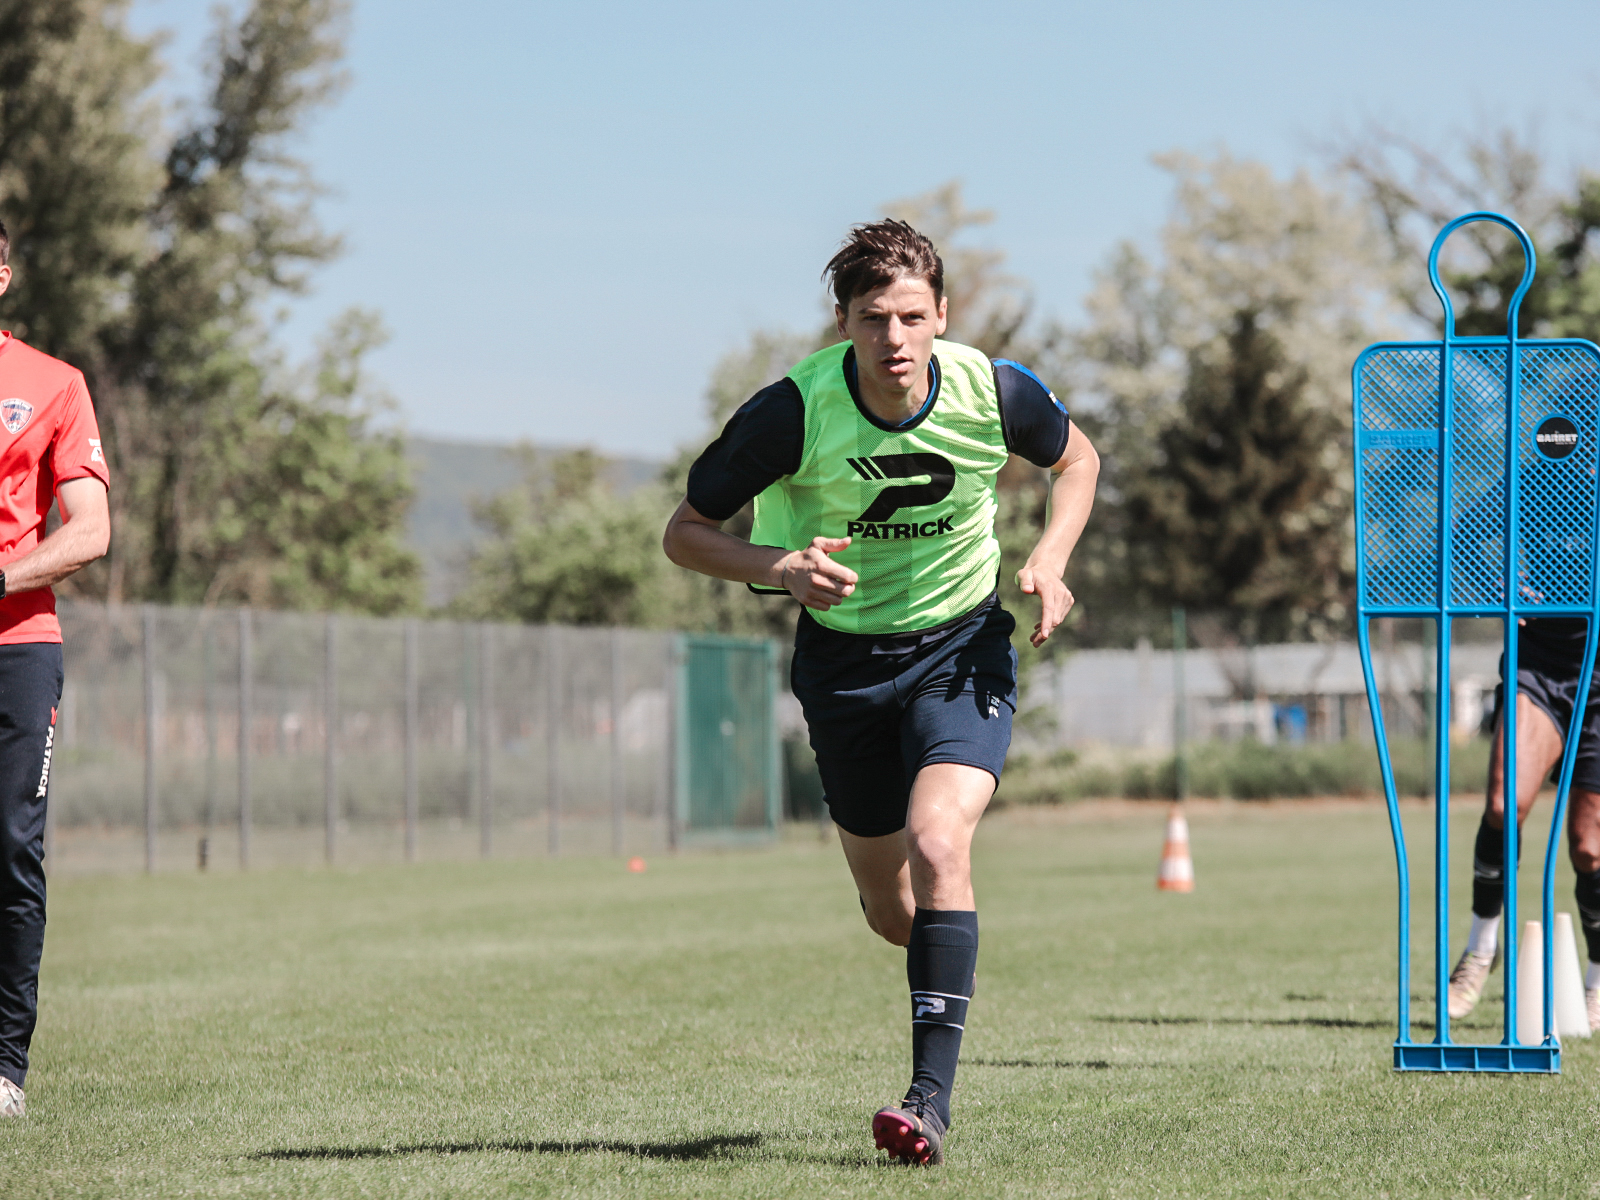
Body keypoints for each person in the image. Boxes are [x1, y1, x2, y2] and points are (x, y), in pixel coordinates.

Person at [662, 219, 1098, 1165]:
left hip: (961, 649)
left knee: (944, 841)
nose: (894, 339)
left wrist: (1050, 557)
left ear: (942, 314)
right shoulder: (792, 412)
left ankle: (926, 1105)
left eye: (910, 315)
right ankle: (951, 960)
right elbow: (686, 532)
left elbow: (1079, 461)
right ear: (843, 324)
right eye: (872, 319)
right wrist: (778, 566)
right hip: (845, 668)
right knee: (892, 911)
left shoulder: (995, 390)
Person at [0, 219, 113, 1117]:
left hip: (17, 649)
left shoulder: (52, 383)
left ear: (2, 275)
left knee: (9, 852)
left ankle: (3, 1069)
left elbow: (91, 530)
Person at [1447, 617, 1600, 1030]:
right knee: (1503, 804)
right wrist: (1497, 584)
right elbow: (1467, 548)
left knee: (1589, 848)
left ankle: (1598, 977)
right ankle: (1481, 947)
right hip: (1540, 665)